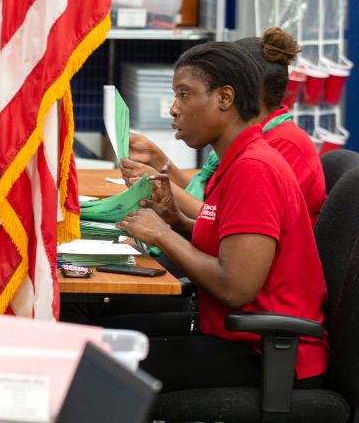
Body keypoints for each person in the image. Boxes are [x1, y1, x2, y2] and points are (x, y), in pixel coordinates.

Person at [114, 41, 328, 391]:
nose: (173, 109)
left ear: (224, 98)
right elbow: (230, 243)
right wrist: (177, 222)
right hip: (233, 332)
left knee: (96, 361)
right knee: (98, 335)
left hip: (268, 355)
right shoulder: (237, 160)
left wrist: (162, 236)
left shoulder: (254, 169)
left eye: (184, 94)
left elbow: (236, 287)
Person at [121, 28, 326, 225]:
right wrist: (161, 163)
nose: (174, 109)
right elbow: (210, 206)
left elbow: (223, 224)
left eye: (185, 95)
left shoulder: (279, 147)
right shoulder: (248, 141)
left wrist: (163, 229)